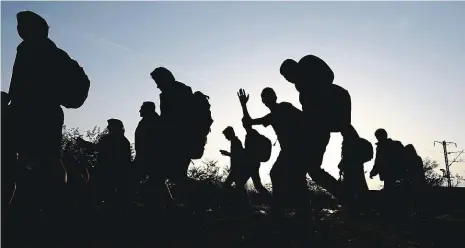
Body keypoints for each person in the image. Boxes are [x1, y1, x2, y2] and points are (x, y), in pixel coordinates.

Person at [8, 11, 69, 246]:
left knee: (38, 161)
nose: (18, 29)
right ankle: (48, 209)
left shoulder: (33, 49)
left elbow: (24, 88)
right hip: (44, 115)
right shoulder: (43, 49)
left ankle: (40, 212)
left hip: (37, 115)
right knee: (45, 160)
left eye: (22, 24)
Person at [238, 88, 308, 216]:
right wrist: (243, 105)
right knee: (287, 175)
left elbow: (303, 118)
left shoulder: (284, 108)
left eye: (268, 97)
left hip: (296, 148)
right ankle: (295, 207)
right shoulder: (272, 116)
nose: (266, 101)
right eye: (264, 99)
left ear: (274, 97)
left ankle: (286, 207)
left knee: (283, 174)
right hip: (289, 150)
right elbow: (249, 123)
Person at [77, 119, 132, 213]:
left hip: (106, 173)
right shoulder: (124, 141)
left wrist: (84, 144)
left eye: (110, 125)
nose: (108, 127)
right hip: (118, 174)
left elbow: (96, 148)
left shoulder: (110, 139)